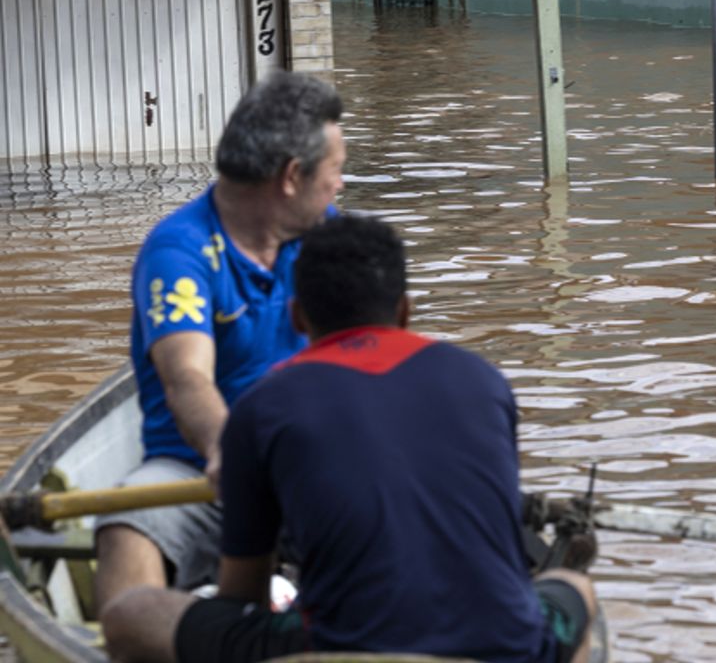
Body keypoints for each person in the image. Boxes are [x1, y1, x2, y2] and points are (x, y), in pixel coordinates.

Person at [100, 215, 598, 663]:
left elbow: (243, 596)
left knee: (132, 613)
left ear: (298, 318)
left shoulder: (263, 406)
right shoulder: (484, 381)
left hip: (338, 646)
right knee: (575, 588)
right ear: (405, 310)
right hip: (510, 647)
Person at [94, 71, 346, 616]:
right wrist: (231, 455)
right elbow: (188, 378)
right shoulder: (180, 251)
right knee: (124, 533)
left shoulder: (327, 234)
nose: (339, 187)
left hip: (311, 461)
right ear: (291, 177)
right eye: (335, 172)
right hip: (198, 470)